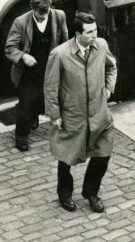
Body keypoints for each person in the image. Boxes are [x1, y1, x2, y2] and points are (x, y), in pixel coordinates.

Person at [44, 11, 117, 213]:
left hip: (99, 114)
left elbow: (112, 67)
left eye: (95, 30)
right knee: (66, 156)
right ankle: (65, 194)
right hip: (72, 115)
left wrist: (109, 89)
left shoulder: (101, 45)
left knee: (103, 154)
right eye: (89, 32)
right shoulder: (59, 54)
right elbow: (50, 87)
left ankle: (91, 192)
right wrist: (55, 115)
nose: (94, 35)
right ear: (77, 33)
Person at [4, 0, 69, 152]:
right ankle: (21, 137)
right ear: (32, 9)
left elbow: (65, 42)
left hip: (50, 68)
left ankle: (40, 118)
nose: (43, 17)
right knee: (25, 104)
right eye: (39, 14)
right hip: (29, 71)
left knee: (53, 99)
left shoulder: (59, 16)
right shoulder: (20, 22)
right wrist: (23, 56)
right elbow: (10, 48)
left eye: (45, 14)